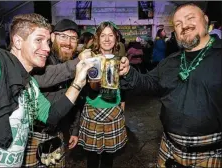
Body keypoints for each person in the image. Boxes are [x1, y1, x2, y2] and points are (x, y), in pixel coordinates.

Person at [0, 13, 93, 168]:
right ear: (18, 41)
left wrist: (79, 81)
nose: (46, 48)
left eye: (47, 42)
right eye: (38, 40)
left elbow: (52, 115)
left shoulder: (29, 83)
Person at [120, 3, 222, 167]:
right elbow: (148, 83)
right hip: (169, 148)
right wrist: (127, 72)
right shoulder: (169, 62)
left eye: (190, 18)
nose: (184, 26)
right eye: (178, 24)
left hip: (212, 153)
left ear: (206, 20)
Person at [23, 19, 90, 168]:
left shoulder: (73, 64)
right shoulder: (42, 58)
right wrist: (78, 62)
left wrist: (74, 130)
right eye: (63, 36)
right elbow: (43, 77)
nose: (68, 42)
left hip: (59, 132)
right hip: (34, 134)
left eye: (73, 38)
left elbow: (77, 101)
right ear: (52, 37)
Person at [78, 21, 128, 168]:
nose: (107, 39)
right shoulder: (90, 58)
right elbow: (88, 87)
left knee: (108, 157)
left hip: (114, 112)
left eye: (110, 35)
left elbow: (123, 86)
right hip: (93, 112)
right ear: (97, 38)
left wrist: (123, 104)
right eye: (103, 35)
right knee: (92, 158)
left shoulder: (120, 60)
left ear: (116, 38)